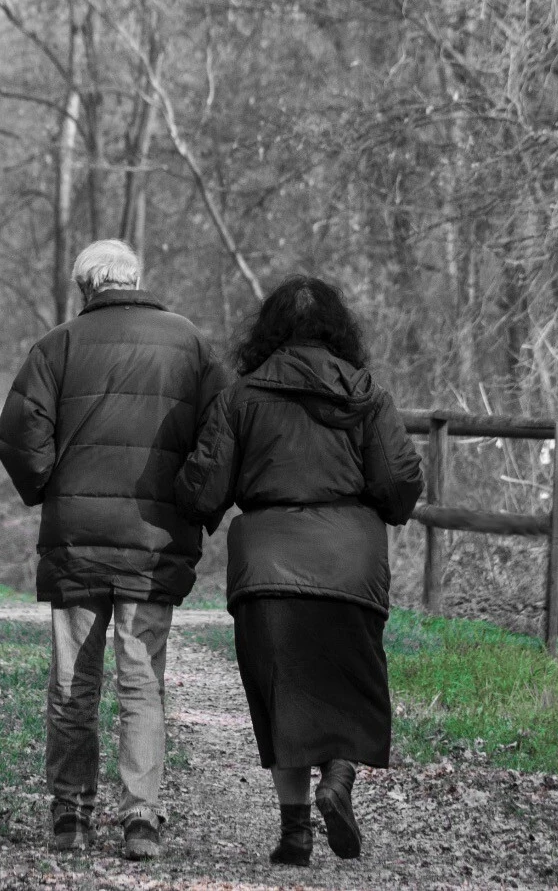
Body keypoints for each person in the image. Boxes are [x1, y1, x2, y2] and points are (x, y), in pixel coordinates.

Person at [173, 275, 422, 867]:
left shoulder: (241, 397)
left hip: (268, 566)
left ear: (268, 332)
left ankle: (295, 834)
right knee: (348, 684)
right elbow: (399, 483)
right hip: (350, 564)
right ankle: (337, 776)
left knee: (281, 694)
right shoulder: (367, 395)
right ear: (339, 330)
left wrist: (176, 487)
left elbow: (203, 489)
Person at [0, 239, 228, 860]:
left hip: (76, 541)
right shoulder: (193, 347)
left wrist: (50, 486)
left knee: (73, 682)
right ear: (135, 280)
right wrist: (194, 500)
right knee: (141, 682)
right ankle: (141, 820)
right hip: (155, 545)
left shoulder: (56, 346)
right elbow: (224, 434)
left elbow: (19, 438)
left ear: (86, 288)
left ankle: (70, 815)